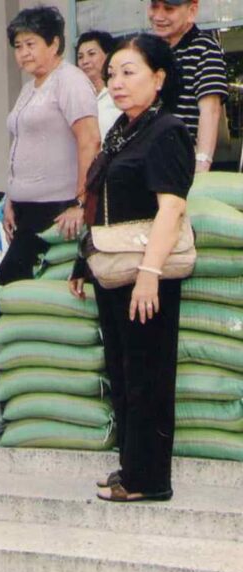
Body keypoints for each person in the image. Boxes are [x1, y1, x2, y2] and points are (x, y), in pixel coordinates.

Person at [69, 34, 194, 502]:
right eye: (112, 74)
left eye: (128, 72)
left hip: (146, 273)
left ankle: (149, 480)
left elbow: (171, 208)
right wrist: (84, 261)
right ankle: (131, 467)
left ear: (158, 78)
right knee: (123, 373)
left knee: (148, 376)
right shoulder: (124, 129)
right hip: (114, 269)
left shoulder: (166, 132)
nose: (116, 82)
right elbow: (103, 202)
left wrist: (149, 274)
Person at [0, 5, 101, 285]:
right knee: (22, 287)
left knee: (9, 283)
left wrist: (81, 202)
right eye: (18, 46)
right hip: (25, 208)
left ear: (54, 43)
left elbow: (90, 140)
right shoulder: (29, 88)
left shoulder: (70, 81)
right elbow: (24, 143)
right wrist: (11, 199)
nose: (23, 53)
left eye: (31, 44)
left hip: (56, 208)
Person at [148, 0, 228, 173]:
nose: (158, 16)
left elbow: (211, 110)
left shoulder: (205, 48)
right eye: (154, 6)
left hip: (178, 162)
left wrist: (201, 165)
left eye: (169, 9)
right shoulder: (148, 50)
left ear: (191, 11)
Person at [76, 31, 121, 139]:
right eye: (80, 57)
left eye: (91, 54)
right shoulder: (78, 98)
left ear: (108, 56)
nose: (85, 61)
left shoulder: (119, 93)